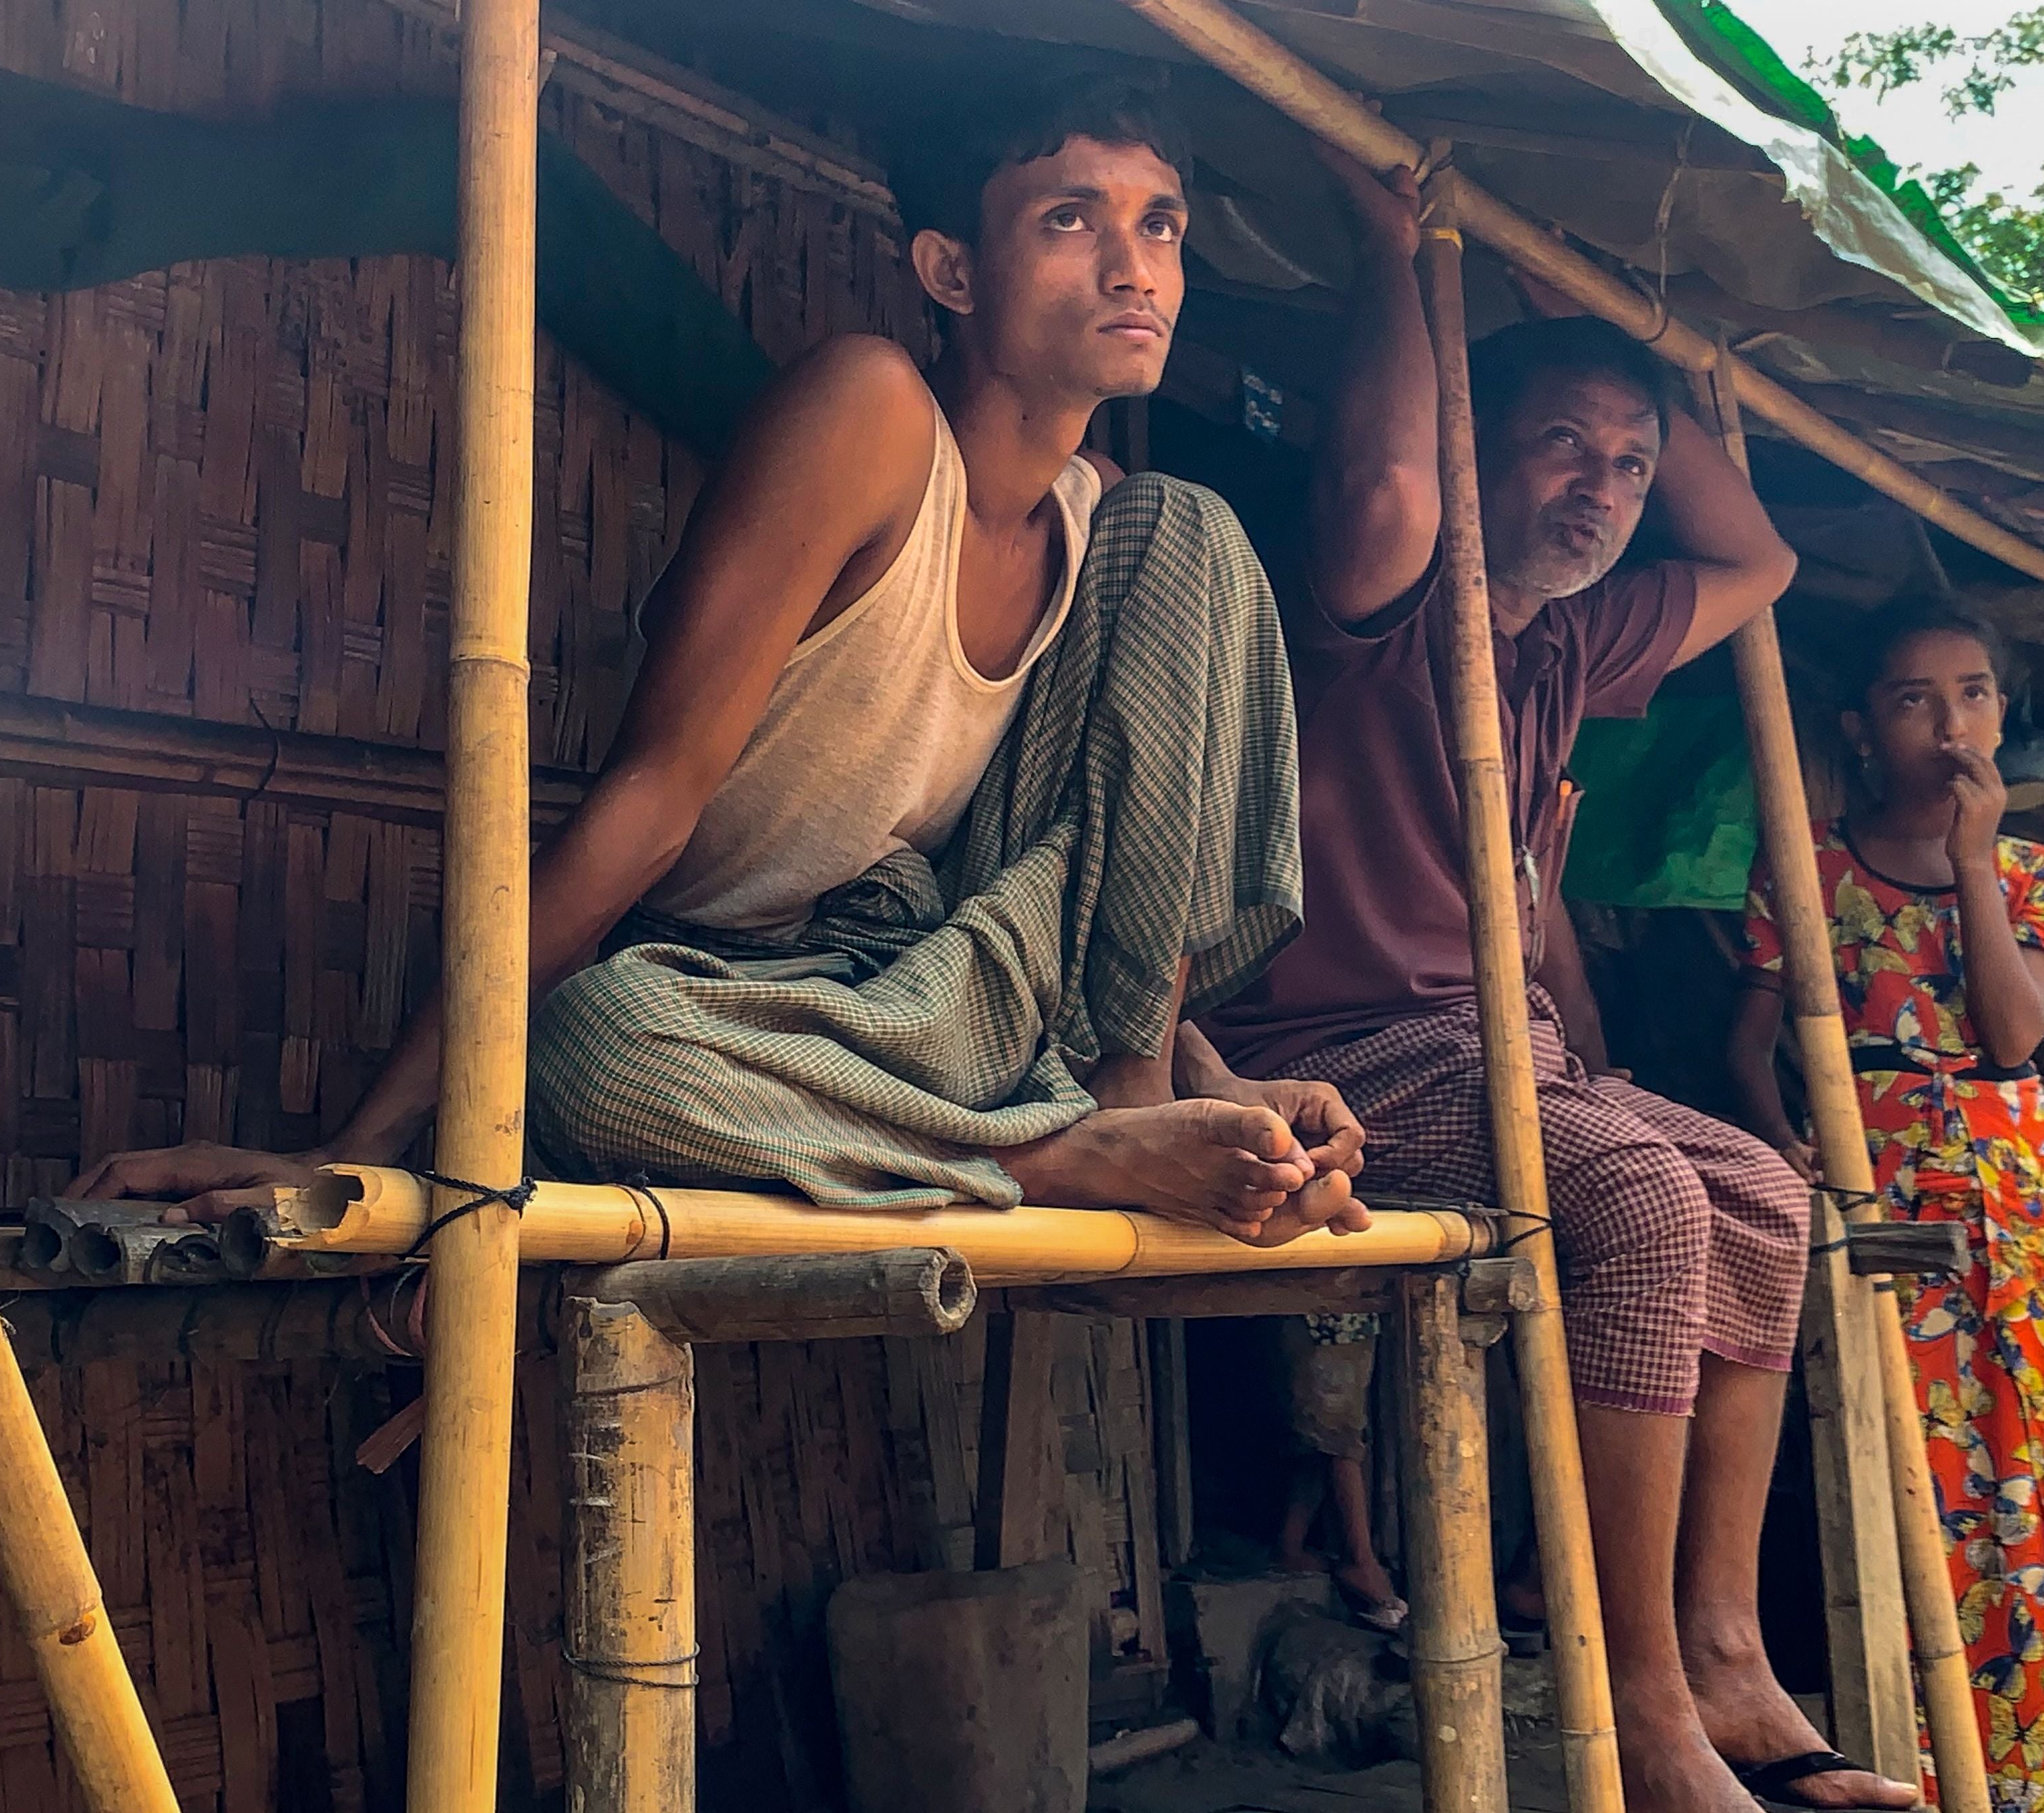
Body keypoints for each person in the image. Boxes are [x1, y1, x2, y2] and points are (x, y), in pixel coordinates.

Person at [66, 79, 1368, 1242]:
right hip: (738, 1004)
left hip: (964, 988)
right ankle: (1061, 1158)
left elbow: (1110, 871)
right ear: (954, 271)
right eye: (1070, 220)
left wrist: (1207, 1077)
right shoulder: (870, 416)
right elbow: (651, 796)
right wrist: (358, 1147)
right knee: (593, 1050)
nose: (1135, 269)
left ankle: (1132, 1102)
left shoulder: (1109, 524)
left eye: (1161, 226)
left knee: (1190, 526)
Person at [1202, 146, 1915, 1813]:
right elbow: (1389, 483)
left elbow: (1760, 566)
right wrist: (1405, 255)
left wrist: (1608, 332)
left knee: (1765, 1197)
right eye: (1560, 448)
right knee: (1648, 1202)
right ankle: (1636, 1702)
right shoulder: (1383, 598)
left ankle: (1725, 1653)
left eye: (1629, 466)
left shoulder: (1564, 644)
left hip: (1502, 1054)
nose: (1602, 490)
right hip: (1340, 1056)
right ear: (1477, 452)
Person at [1729, 607, 2044, 1813]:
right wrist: (1779, 1134)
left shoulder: (2034, 874)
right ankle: (1918, 1757)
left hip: (2010, 1202)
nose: (1951, 722)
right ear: (1860, 727)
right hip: (1875, 1194)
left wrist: (1973, 859)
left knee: (2028, 1457)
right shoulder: (1807, 866)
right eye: (1914, 698)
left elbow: (2009, 1037)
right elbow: (1747, 1045)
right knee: (1902, 1461)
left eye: (1975, 693)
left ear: (2002, 712)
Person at [1273, 1313, 1406, 1633]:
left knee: (1319, 1435)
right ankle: (1360, 1561)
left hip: (1338, 1317)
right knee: (1341, 1437)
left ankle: (1291, 1544)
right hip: (1330, 1318)